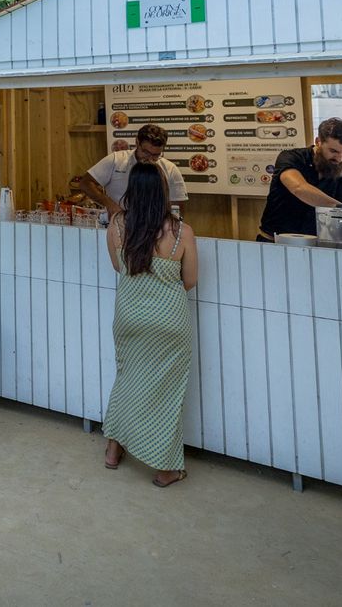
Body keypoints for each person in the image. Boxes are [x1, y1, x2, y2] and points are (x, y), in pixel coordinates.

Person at [101, 161, 197, 487]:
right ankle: (165, 468)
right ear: (163, 192)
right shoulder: (182, 232)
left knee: (127, 378)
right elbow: (191, 280)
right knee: (166, 393)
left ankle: (114, 449)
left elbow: (119, 267)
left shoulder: (116, 226)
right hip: (170, 322)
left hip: (128, 316)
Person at [257, 117, 342, 242]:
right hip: (275, 242)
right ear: (318, 142)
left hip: (318, 244)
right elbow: (299, 188)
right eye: (333, 151)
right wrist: (340, 209)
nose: (339, 159)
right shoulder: (291, 158)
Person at [73, 123, 188, 216]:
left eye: (155, 155)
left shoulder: (170, 169)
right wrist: (110, 205)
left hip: (154, 230)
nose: (150, 159)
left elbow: (177, 207)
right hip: (117, 224)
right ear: (137, 142)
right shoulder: (116, 160)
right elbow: (85, 183)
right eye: (146, 152)